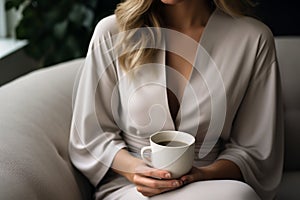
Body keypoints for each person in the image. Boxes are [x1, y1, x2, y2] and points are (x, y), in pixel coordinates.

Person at [69, 0, 284, 199]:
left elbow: (254, 151)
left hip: (214, 185)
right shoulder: (113, 32)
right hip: (132, 188)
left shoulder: (253, 39)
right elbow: (92, 135)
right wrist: (135, 170)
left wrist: (204, 174)